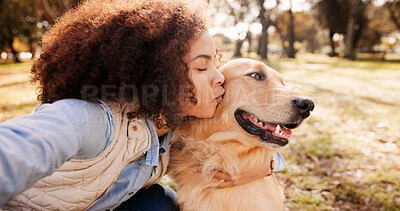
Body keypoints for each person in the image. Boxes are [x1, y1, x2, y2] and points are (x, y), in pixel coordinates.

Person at [0, 0, 281, 210]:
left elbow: (244, 145)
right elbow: (18, 146)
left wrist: (265, 166)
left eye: (215, 64)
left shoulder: (178, 122)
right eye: (202, 67)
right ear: (159, 76)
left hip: (101, 205)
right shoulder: (93, 120)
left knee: (158, 203)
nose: (219, 78)